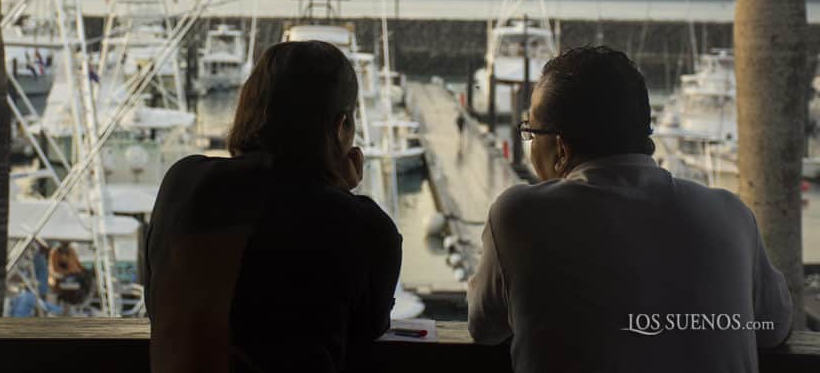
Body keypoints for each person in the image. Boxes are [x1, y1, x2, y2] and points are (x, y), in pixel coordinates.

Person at [468, 46, 792, 373]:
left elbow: (484, 328)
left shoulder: (519, 216)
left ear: (561, 147)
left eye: (531, 133)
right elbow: (775, 327)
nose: (530, 143)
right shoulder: (731, 215)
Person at [144, 40, 402, 373]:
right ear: (341, 128)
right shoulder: (365, 226)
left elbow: (157, 304)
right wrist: (338, 191)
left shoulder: (182, 182)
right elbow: (367, 328)